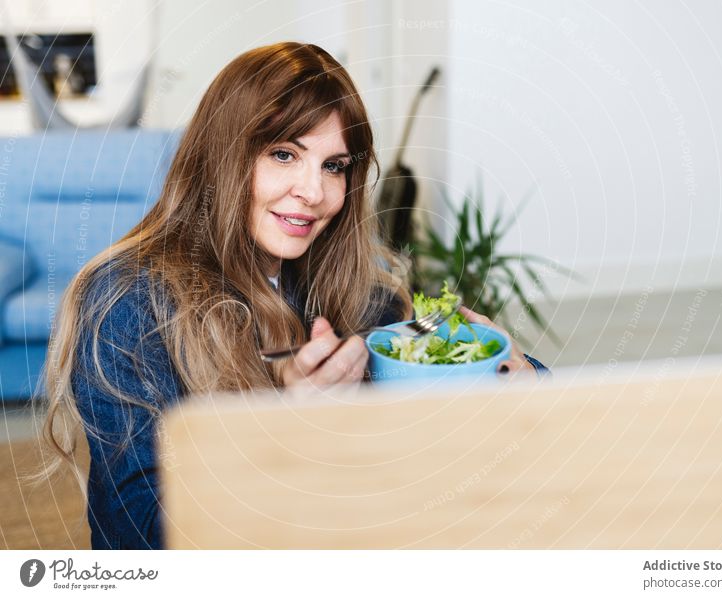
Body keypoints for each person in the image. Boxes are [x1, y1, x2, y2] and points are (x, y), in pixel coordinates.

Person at [39, 42, 548, 550]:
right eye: (284, 154)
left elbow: (426, 421)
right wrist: (287, 433)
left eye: (335, 166)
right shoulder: (126, 303)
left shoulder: (357, 287)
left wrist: (515, 374)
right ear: (222, 157)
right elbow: (146, 539)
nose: (314, 192)